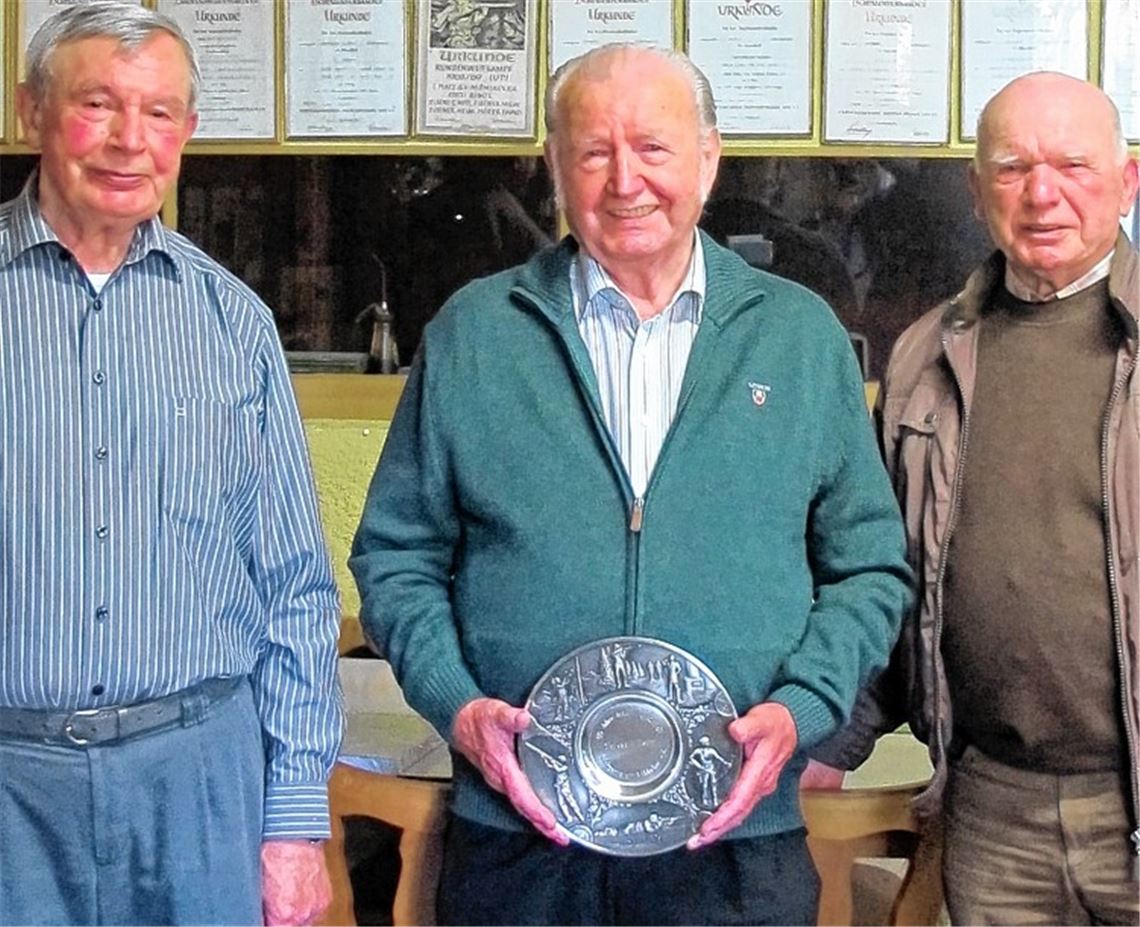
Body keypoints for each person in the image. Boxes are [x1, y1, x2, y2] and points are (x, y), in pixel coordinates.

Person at [350, 43, 911, 925]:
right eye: (593, 152)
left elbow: (870, 569)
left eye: (653, 148)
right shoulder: (477, 333)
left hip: (734, 839)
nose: (626, 181)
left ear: (709, 158)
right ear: (553, 169)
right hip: (519, 838)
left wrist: (804, 707)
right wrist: (456, 705)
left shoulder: (798, 339)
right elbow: (396, 556)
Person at [0, 5, 342, 925]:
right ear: (32, 110)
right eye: (97, 105)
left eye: (158, 114)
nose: (127, 141)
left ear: (187, 131)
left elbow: (295, 587)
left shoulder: (234, 324)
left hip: (198, 784)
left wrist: (294, 820)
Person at [808, 72, 1140, 924]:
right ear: (974, 189)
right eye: (1012, 167)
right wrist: (832, 740)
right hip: (994, 804)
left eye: (1073, 164)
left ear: (1127, 180)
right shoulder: (925, 358)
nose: (1043, 193)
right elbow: (889, 575)